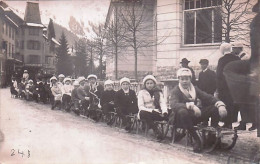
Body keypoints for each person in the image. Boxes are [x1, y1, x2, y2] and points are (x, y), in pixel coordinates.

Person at [170, 68, 227, 153]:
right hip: (180, 119)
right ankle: (196, 139)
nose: (184, 81)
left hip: (194, 116)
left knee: (214, 108)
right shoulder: (176, 90)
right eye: (182, 79)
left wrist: (220, 104)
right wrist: (191, 106)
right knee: (183, 111)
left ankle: (211, 137)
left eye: (187, 79)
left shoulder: (194, 89)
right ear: (179, 79)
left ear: (190, 79)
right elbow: (174, 105)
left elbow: (207, 97)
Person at [216, 42, 240, 129]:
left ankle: (226, 123)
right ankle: (230, 122)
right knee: (232, 104)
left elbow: (218, 75)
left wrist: (218, 88)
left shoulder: (221, 60)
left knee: (225, 104)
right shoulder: (237, 58)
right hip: (235, 86)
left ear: (222, 50)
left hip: (224, 87)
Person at [138, 75, 168, 140]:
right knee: (144, 113)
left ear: (154, 84)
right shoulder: (141, 92)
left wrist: (164, 111)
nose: (149, 85)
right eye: (147, 83)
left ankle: (176, 132)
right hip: (146, 112)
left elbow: (162, 103)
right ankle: (156, 131)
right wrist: (151, 111)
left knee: (170, 112)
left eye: (151, 83)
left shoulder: (158, 92)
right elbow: (140, 106)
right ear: (145, 84)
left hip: (156, 112)